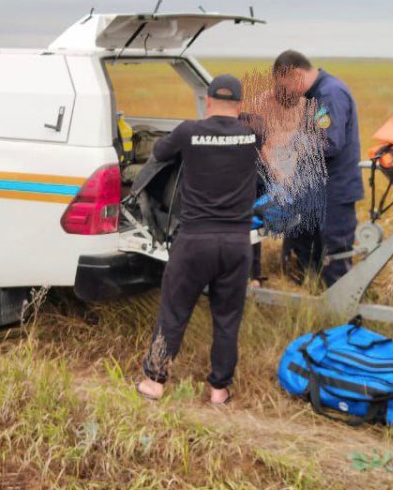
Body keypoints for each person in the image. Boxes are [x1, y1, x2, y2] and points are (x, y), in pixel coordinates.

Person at [136, 74, 265, 405]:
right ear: (239, 104)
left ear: (207, 101)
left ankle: (154, 382)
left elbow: (160, 152)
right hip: (236, 244)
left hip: (194, 241)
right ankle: (219, 390)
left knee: (174, 313)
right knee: (227, 320)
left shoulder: (188, 131)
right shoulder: (254, 132)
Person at [272, 50, 364, 286]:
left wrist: (291, 142)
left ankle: (338, 308)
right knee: (308, 257)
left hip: (334, 194)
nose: (286, 92)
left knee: (334, 261)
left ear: (296, 74)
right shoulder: (317, 96)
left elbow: (329, 143)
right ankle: (314, 302)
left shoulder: (330, 94)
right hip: (317, 193)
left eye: (285, 86)